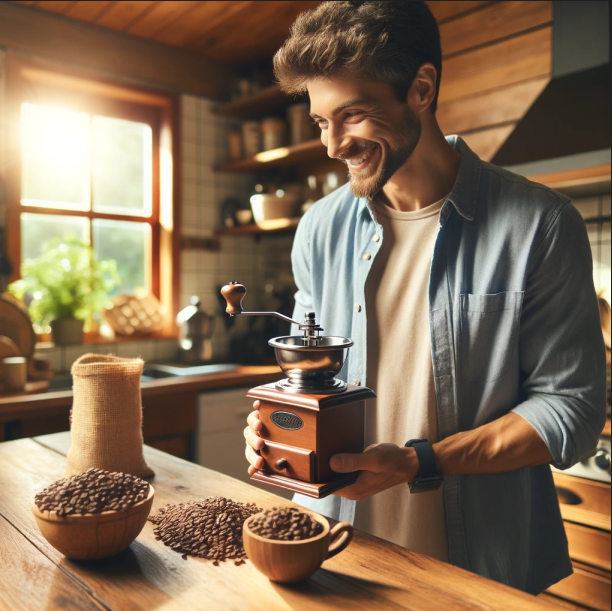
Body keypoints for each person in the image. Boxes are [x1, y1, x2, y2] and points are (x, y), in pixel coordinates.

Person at [243, 0, 607, 594]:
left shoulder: (540, 224)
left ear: (421, 88)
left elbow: (570, 409)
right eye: (320, 121)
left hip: (485, 570)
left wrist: (418, 462)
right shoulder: (319, 228)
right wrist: (276, 425)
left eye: (353, 114)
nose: (333, 145)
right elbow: (307, 377)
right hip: (341, 557)